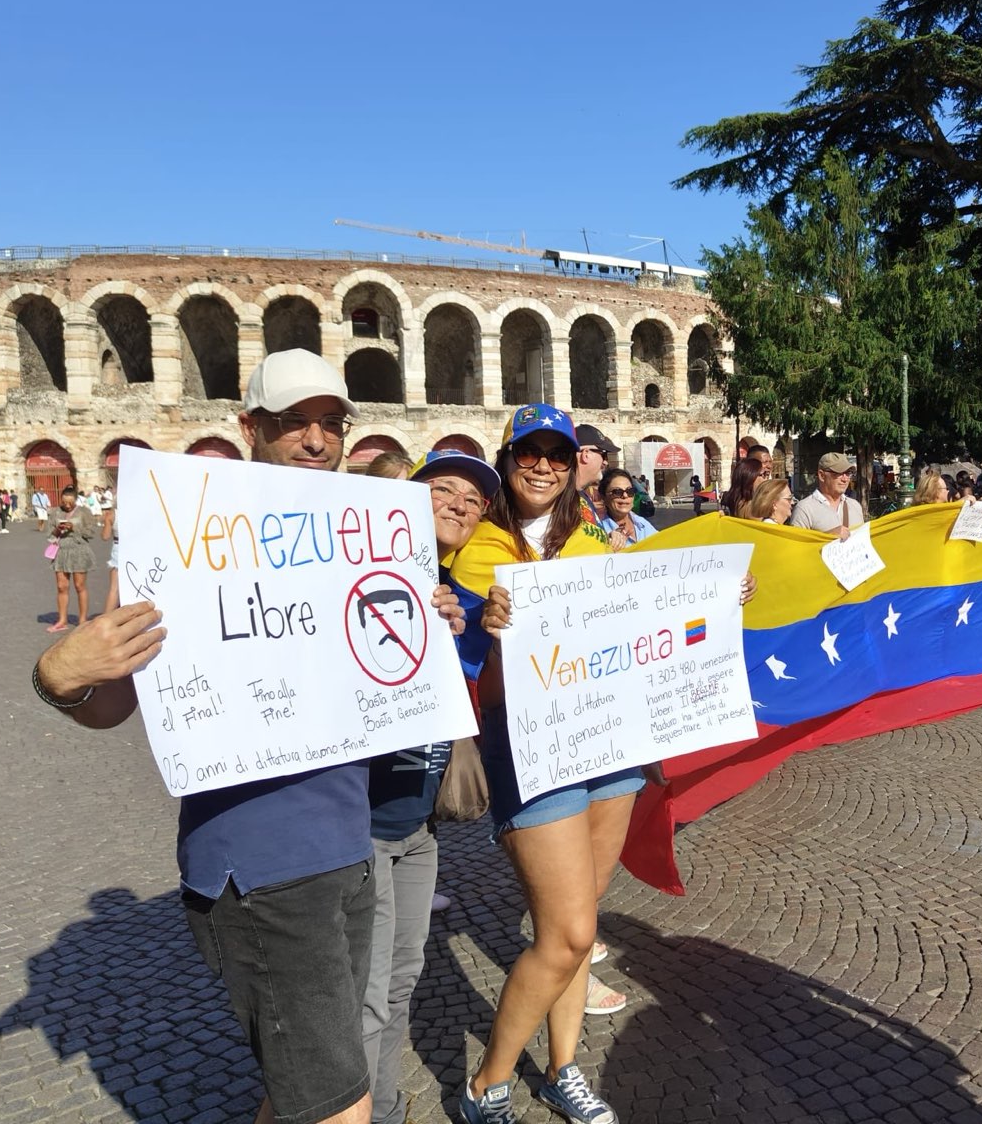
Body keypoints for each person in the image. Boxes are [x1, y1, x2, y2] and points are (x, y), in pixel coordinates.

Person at [32, 348, 467, 1124]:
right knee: (338, 1103)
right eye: (292, 422)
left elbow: (380, 673)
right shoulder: (179, 543)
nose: (315, 440)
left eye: (331, 423)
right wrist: (60, 677)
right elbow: (109, 706)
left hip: (350, 845)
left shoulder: (358, 541)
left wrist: (428, 629)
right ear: (248, 427)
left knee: (301, 1086)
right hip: (260, 868)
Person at [449, 404, 644, 1123]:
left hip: (611, 742)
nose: (542, 464)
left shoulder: (593, 537)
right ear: (507, 460)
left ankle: (563, 1069)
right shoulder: (479, 546)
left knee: (576, 928)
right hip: (532, 749)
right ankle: (487, 1083)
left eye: (556, 455)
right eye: (528, 452)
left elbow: (635, 617)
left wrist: (716, 602)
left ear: (572, 466)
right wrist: (491, 634)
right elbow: (476, 683)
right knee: (568, 933)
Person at [361, 447, 500, 1124]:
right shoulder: (358, 575)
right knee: (365, 989)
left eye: (472, 501)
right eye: (441, 489)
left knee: (398, 981)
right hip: (359, 821)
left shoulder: (453, 594)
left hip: (418, 823)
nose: (457, 505)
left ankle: (377, 1104)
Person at [46, 485, 97, 632]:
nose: (67, 506)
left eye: (70, 503)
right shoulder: (56, 513)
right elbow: (49, 534)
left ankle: (82, 620)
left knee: (79, 586)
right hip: (61, 551)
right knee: (62, 587)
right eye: (64, 503)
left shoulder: (84, 512)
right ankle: (62, 620)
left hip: (79, 550)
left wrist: (73, 528)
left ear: (76, 500)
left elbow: (91, 532)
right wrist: (58, 529)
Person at [788, 452, 864, 539]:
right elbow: (797, 548)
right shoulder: (804, 509)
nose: (845, 479)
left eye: (848, 473)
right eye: (838, 473)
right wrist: (828, 537)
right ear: (822, 475)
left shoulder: (855, 506)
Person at [573, 425, 620, 527]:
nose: (606, 462)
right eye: (604, 455)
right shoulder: (561, 497)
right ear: (586, 454)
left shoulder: (580, 495)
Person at [600, 467, 658, 544]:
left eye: (630, 491)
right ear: (604, 497)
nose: (625, 495)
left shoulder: (642, 523)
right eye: (617, 492)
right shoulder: (599, 531)